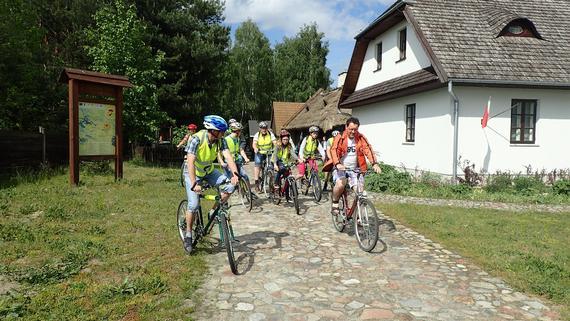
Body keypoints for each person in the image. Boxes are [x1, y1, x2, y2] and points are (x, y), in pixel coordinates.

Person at [182, 115, 239, 254]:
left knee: (231, 186)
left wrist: (235, 174)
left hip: (209, 171)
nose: (224, 134)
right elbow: (190, 161)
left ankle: (213, 211)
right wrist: (195, 183)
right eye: (222, 131)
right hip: (192, 173)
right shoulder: (196, 139)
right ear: (213, 131)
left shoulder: (221, 140)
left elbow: (228, 156)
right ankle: (188, 235)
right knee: (194, 205)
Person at [327, 117, 382, 215]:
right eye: (351, 129)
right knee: (340, 184)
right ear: (346, 127)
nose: (353, 131)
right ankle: (335, 202)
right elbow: (334, 150)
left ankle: (358, 216)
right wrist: (338, 163)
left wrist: (374, 163)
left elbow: (368, 149)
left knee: (360, 192)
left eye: (355, 129)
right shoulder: (340, 137)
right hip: (341, 167)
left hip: (355, 169)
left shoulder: (360, 137)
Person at [252, 121, 277, 191]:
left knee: (271, 166)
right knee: (257, 164)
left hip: (269, 152)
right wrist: (255, 148)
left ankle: (271, 183)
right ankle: (256, 182)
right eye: (262, 128)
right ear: (260, 129)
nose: (264, 130)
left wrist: (276, 147)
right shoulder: (257, 135)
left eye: (265, 128)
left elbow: (275, 142)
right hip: (259, 152)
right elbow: (254, 143)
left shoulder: (270, 134)